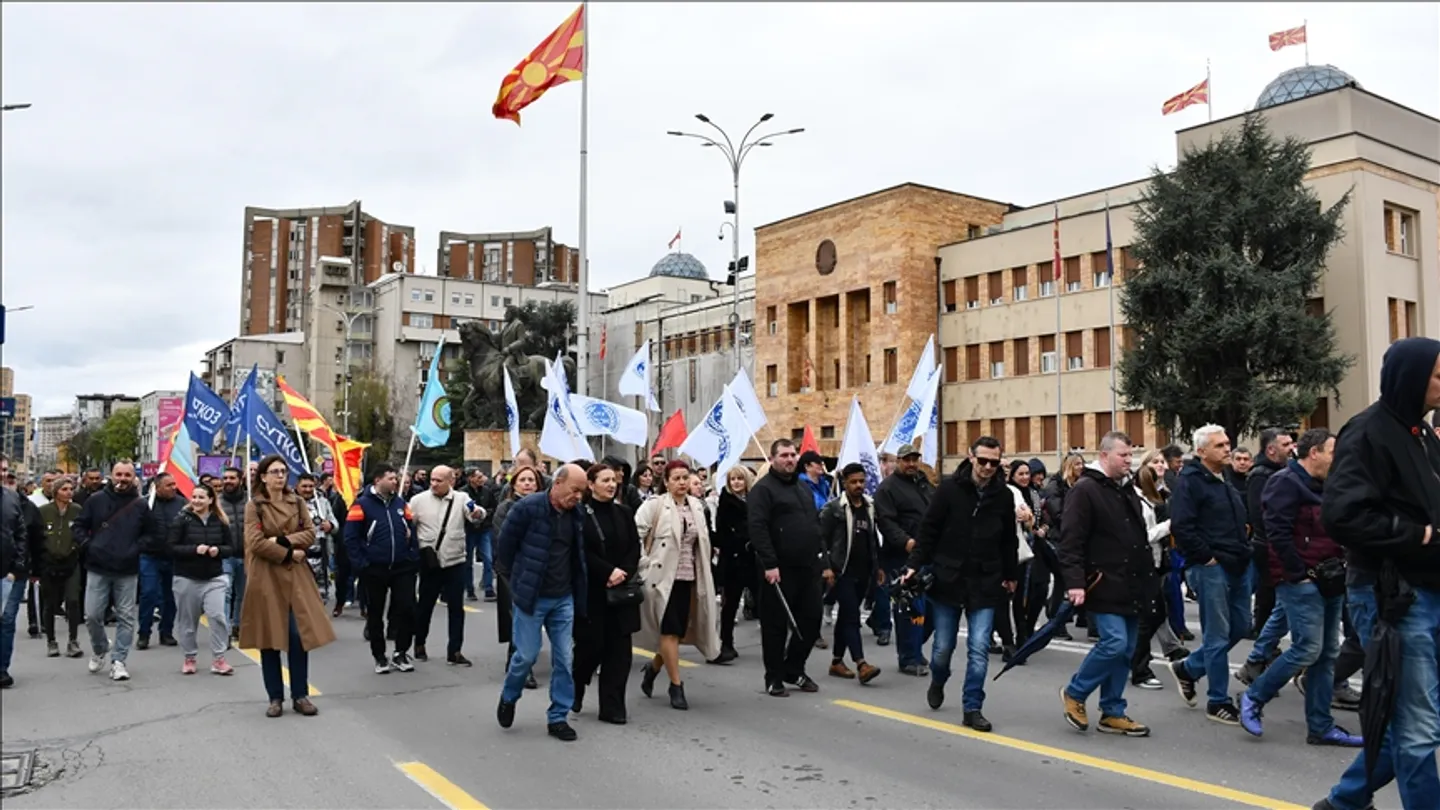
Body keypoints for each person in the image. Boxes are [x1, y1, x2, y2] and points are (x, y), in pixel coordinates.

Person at [1313, 336, 1440, 810]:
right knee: (1418, 728)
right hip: (1393, 596)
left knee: (1414, 720)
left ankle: (1343, 803)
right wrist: (1418, 535)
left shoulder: (1421, 433)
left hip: (1427, 589)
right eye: (1438, 374)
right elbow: (1342, 515)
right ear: (1411, 377)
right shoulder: (1367, 432)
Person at [1236, 428, 1360, 747]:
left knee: (1327, 653)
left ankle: (1320, 726)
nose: (1339, 457)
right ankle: (1253, 696)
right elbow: (1275, 533)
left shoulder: (1328, 484)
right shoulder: (1284, 483)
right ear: (1314, 452)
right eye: (1334, 451)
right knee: (1308, 648)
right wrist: (1297, 574)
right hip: (1301, 580)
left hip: (1331, 577)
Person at [901, 436, 1017, 732]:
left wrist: (1011, 574)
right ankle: (938, 680)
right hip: (948, 579)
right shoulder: (949, 489)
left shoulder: (1003, 495)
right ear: (971, 457)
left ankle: (972, 707)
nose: (988, 467)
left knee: (979, 648)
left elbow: (1008, 540)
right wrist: (913, 566)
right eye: (983, 461)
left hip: (985, 581)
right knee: (942, 648)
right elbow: (928, 530)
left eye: (994, 462)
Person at [1058, 432, 1154, 738]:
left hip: (1131, 583)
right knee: (1113, 643)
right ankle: (1075, 692)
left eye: (1130, 455)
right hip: (1102, 582)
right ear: (1104, 455)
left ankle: (1113, 711)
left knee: (1125, 650)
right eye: (1123, 455)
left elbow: (1138, 538)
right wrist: (1074, 582)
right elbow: (1070, 540)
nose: (1129, 461)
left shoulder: (1125, 490)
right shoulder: (1086, 490)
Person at [495, 464, 590, 742]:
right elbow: (505, 548)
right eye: (575, 490)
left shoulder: (577, 514)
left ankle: (558, 716)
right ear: (558, 483)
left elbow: (578, 553)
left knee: (564, 658)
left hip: (563, 597)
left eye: (582, 492)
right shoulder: (527, 508)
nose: (579, 497)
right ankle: (509, 696)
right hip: (532, 597)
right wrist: (519, 582)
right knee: (525, 655)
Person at [1165, 424, 1253, 725]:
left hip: (1238, 562)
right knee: (1216, 636)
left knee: (1241, 626)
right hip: (1211, 566)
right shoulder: (1190, 482)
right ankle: (1218, 701)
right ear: (1201, 451)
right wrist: (1207, 557)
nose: (1227, 449)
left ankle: (1188, 668)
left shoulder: (1225, 477)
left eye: (1228, 443)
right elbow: (1182, 526)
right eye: (1219, 445)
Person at [243, 454, 335, 717]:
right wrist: (287, 552)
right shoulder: (255, 506)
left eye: (283, 471)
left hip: (295, 573)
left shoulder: (296, 501)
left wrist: (280, 541)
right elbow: (255, 542)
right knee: (269, 637)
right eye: (274, 472)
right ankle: (274, 697)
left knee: (297, 636)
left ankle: (300, 695)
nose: (280, 476)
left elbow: (309, 533)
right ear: (263, 477)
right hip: (267, 575)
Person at [635, 460, 720, 710]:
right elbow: (635, 535)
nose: (682, 483)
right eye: (677, 478)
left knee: (678, 632)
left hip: (689, 578)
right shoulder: (654, 506)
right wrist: (644, 564)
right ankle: (676, 685)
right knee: (669, 630)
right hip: (662, 578)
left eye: (686, 478)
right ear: (667, 481)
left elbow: (702, 543)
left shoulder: (697, 506)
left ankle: (652, 669)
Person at [748, 439, 824, 697]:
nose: (790, 459)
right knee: (776, 626)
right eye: (784, 455)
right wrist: (770, 563)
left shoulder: (803, 488)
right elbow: (757, 529)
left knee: (812, 621)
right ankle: (774, 676)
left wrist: (821, 561)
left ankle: (794, 668)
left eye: (793, 454)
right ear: (772, 459)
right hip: (778, 570)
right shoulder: (762, 490)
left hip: (807, 567)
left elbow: (814, 525)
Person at [74, 461, 160, 682]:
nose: (122, 478)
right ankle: (100, 646)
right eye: (118, 474)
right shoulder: (96, 501)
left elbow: (152, 534)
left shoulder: (141, 505)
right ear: (110, 475)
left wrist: (135, 549)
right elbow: (79, 526)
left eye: (127, 475)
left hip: (127, 569)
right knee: (92, 615)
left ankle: (119, 660)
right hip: (97, 567)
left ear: (133, 477)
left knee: (126, 617)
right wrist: (88, 545)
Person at [572, 462, 641, 724]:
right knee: (591, 647)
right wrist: (607, 572)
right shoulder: (580, 515)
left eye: (614, 480)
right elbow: (579, 552)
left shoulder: (624, 513)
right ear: (591, 485)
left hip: (622, 592)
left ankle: (612, 707)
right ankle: (577, 683)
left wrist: (623, 571)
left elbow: (634, 546)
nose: (612, 484)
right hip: (593, 592)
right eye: (605, 480)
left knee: (620, 652)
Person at [344, 464, 419, 674]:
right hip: (374, 568)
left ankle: (401, 652)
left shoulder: (400, 503)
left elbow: (411, 530)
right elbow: (351, 538)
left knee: (407, 609)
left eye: (396, 478)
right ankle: (379, 656)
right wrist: (362, 564)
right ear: (378, 480)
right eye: (391, 478)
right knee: (375, 613)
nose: (396, 481)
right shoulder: (361, 504)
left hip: (402, 567)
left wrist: (413, 556)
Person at [1237, 428, 1296, 682]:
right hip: (1267, 546)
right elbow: (1260, 515)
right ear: (1271, 449)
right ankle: (1264, 647)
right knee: (1269, 597)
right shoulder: (1260, 475)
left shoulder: (1282, 472)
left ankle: (1265, 650)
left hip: (1276, 544)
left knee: (1276, 599)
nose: (1291, 447)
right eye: (1285, 443)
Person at [411, 466, 484, 667]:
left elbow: (476, 512)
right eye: (432, 479)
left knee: (456, 609)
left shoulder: (461, 499)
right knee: (425, 605)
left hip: (455, 561)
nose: (433, 483)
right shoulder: (419, 501)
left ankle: (455, 650)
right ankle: (419, 644)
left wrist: (477, 513)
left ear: (450, 482)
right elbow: (408, 524)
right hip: (430, 563)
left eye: (438, 480)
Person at [873, 443, 934, 673]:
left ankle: (916, 648)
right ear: (897, 461)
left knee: (931, 610)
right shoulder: (887, 489)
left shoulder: (923, 483)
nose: (911, 464)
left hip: (927, 554)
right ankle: (909, 658)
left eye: (914, 459)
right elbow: (886, 522)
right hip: (901, 557)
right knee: (910, 609)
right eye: (906, 460)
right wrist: (906, 542)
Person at [821, 463, 883, 685]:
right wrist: (826, 567)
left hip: (863, 572)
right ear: (844, 483)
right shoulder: (834, 508)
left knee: (847, 617)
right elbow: (820, 539)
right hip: (842, 572)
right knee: (852, 617)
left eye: (861, 481)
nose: (859, 485)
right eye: (854, 482)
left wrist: (878, 567)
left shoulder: (870, 506)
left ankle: (837, 661)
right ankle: (861, 663)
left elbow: (873, 539)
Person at [169, 482, 237, 676]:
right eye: (194, 497)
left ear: (210, 500)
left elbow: (230, 547)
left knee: (217, 616)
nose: (197, 501)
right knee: (188, 621)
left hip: (214, 576)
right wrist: (193, 549)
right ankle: (189, 657)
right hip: (187, 577)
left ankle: (219, 659)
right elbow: (170, 547)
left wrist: (219, 551)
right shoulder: (182, 519)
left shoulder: (220, 520)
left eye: (201, 497)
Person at [493, 465, 542, 690]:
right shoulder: (506, 508)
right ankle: (522, 667)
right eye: (523, 480)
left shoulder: (545, 507)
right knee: (518, 618)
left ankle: (519, 661)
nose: (527, 484)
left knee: (534, 619)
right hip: (511, 571)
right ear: (514, 485)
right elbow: (504, 539)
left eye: (531, 480)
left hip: (539, 570)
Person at [710, 465, 756, 665]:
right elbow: (722, 533)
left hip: (754, 560)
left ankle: (774, 642)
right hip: (733, 560)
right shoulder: (726, 502)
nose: (736, 483)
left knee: (765, 602)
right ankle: (726, 643)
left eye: (740, 478)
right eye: (732, 479)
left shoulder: (755, 501)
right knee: (730, 605)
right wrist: (741, 540)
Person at [37, 479, 84, 659]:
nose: (69, 492)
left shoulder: (77, 511)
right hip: (49, 563)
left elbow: (82, 532)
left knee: (72, 601)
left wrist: (77, 549)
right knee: (50, 603)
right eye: (64, 489)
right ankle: (51, 641)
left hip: (71, 562)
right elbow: (37, 537)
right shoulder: (44, 512)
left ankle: (73, 641)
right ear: (56, 492)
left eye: (71, 489)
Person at [138, 473, 183, 650]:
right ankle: (143, 633)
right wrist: (142, 544)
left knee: (170, 597)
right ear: (157, 487)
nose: (173, 487)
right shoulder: (145, 504)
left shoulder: (181, 504)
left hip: (173, 557)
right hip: (150, 556)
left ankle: (166, 631)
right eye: (168, 485)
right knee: (148, 593)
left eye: (174, 484)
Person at [0, 454, 30, 688]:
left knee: (6, 621)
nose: (2, 473)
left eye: (5, 469)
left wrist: (16, 567)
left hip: (6, 574)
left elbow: (21, 534)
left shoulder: (11, 499)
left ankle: (2, 669)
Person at [217, 467, 249, 642]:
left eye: (232, 478)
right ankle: (225, 631)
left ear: (240, 479)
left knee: (243, 594)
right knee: (226, 592)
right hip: (225, 555)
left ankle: (238, 625)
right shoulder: (218, 502)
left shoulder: (249, 501)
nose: (228, 481)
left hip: (246, 554)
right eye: (225, 478)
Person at [296, 474, 336, 603]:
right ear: (297, 486)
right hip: (299, 555)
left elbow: (334, 522)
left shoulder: (322, 501)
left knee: (320, 599)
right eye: (304, 486)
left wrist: (330, 525)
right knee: (300, 597)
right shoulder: (290, 502)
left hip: (320, 554)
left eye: (311, 486)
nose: (308, 489)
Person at [463, 468, 500, 602]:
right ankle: (470, 589)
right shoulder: (463, 493)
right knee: (467, 561)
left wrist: (484, 514)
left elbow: (493, 507)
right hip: (469, 530)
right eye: (478, 477)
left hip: (484, 529)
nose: (481, 479)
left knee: (488, 559)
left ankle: (489, 589)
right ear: (470, 478)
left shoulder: (487, 491)